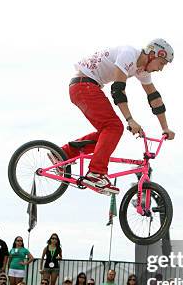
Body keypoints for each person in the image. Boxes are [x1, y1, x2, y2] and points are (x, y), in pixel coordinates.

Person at [52, 39, 175, 194]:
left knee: (107, 133)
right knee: (114, 127)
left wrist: (165, 128)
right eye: (162, 63)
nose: (161, 69)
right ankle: (96, 174)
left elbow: (154, 98)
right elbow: (118, 90)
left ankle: (64, 153)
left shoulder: (142, 70)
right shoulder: (129, 54)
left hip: (85, 87)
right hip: (84, 85)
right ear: (152, 54)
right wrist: (130, 120)